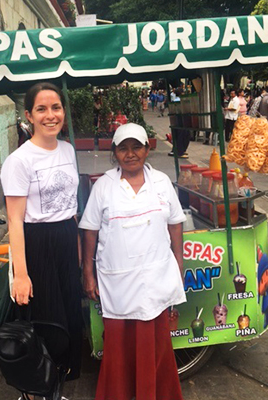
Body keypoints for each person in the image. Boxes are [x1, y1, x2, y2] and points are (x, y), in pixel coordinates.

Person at [80, 123, 185, 400]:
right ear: (115, 153)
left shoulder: (162, 182)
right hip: (117, 282)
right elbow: (89, 231)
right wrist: (87, 273)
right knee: (118, 347)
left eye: (136, 147)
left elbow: (175, 225)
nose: (130, 154)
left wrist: (178, 264)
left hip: (155, 277)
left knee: (157, 344)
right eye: (123, 148)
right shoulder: (104, 186)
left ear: (147, 149)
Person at [0, 82, 83, 394]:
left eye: (56, 107)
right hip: (37, 243)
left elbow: (69, 205)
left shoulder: (68, 149)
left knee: (71, 317)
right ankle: (41, 386)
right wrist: (21, 274)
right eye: (42, 109)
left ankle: (59, 379)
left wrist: (73, 245)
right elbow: (15, 220)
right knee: (49, 323)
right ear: (29, 116)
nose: (51, 115)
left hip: (64, 236)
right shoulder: (20, 161)